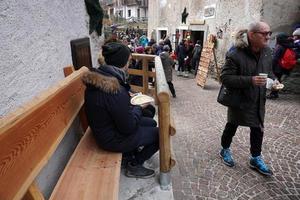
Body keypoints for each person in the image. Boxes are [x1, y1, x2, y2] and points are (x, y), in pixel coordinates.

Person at [82, 42, 159, 178]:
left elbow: (115, 109)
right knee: (161, 134)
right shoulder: (113, 89)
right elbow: (128, 127)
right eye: (129, 61)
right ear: (123, 63)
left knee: (151, 123)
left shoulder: (101, 77)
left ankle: (129, 153)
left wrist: (129, 101)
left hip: (105, 130)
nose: (129, 65)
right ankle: (134, 165)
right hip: (111, 139)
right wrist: (138, 107)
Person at [219, 21, 276, 176]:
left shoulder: (267, 52)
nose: (268, 37)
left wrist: (274, 81)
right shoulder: (235, 53)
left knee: (258, 128)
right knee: (232, 124)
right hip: (239, 98)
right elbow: (225, 77)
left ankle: (255, 157)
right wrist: (250, 80)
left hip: (258, 99)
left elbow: (269, 72)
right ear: (252, 35)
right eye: (264, 34)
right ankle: (224, 149)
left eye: (269, 33)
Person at [267, 33, 295, 99]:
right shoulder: (287, 46)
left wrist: (271, 67)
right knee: (278, 79)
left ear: (279, 39)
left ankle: (273, 94)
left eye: (276, 38)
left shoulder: (280, 47)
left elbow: (275, 58)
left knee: (275, 80)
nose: (275, 39)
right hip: (281, 67)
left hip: (277, 67)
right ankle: (274, 93)